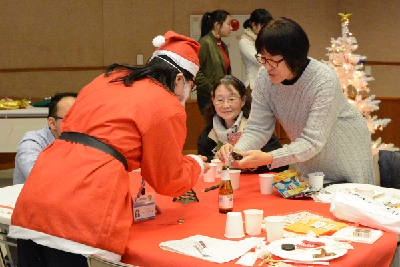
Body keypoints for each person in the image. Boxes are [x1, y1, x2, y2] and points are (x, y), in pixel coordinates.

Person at [9, 31, 209, 267]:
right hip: (83, 207)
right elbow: (168, 179)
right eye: (190, 86)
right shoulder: (166, 104)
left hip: (37, 195)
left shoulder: (109, 79)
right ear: (178, 79)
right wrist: (195, 164)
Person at [217, 18, 374, 185]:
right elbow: (257, 127)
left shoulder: (323, 79)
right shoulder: (264, 77)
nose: (267, 66)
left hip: (346, 153)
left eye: (273, 60)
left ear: (294, 57)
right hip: (310, 159)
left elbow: (312, 141)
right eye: (262, 58)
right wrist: (238, 151)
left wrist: (269, 157)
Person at [197, 75, 288, 173]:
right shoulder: (208, 135)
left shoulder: (257, 130)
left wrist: (254, 164)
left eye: (231, 99)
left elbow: (282, 165)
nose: (226, 105)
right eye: (220, 100)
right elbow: (204, 164)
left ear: (243, 101)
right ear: (213, 101)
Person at [13, 92, 77, 185]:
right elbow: (38, 177)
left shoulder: (88, 140)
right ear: (52, 123)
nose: (78, 124)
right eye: (70, 119)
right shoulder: (32, 142)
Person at [195, 9, 232, 114]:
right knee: (213, 128)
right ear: (217, 25)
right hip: (208, 98)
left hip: (222, 95)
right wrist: (212, 89)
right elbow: (195, 71)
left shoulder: (222, 44)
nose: (231, 28)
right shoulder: (204, 43)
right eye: (228, 24)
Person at [239, 9, 273, 91]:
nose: (266, 29)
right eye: (263, 26)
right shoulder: (245, 41)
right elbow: (259, 60)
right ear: (254, 25)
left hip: (268, 84)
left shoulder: (264, 40)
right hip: (254, 85)